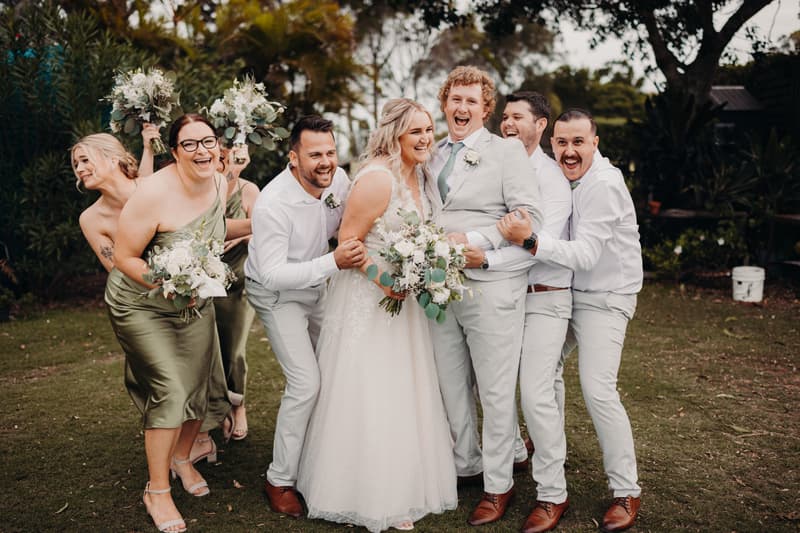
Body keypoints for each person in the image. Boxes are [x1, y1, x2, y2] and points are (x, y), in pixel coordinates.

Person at [296, 98, 458, 532]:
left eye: (429, 130)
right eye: (416, 132)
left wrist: (424, 272)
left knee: (404, 389)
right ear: (395, 136)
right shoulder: (376, 180)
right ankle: (359, 492)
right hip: (370, 299)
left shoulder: (422, 177)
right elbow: (348, 242)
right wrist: (383, 279)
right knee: (369, 388)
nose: (426, 139)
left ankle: (401, 484)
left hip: (405, 304)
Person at [498, 108, 644, 532]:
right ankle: (546, 444)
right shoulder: (563, 178)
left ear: (595, 142)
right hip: (568, 293)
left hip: (605, 297)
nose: (569, 150)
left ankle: (626, 489)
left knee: (598, 389)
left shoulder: (604, 185)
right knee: (543, 375)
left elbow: (584, 254)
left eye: (578, 142)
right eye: (561, 142)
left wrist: (529, 240)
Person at [105, 114, 234, 533]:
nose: (202, 151)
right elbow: (124, 257)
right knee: (171, 389)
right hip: (142, 303)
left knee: (197, 385)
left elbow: (215, 232)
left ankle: (182, 458)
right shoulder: (151, 195)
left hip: (193, 301)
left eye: (208, 141)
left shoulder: (219, 180)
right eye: (190, 144)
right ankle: (156, 491)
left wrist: (262, 226)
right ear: (174, 152)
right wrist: (170, 285)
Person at [429, 65, 544, 526]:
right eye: (455, 99)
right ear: (444, 103)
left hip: (491, 289)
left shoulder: (506, 151)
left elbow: (528, 214)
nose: (462, 108)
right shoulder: (431, 153)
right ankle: (466, 464)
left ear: (486, 108)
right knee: (450, 384)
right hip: (436, 287)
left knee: (496, 392)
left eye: (472, 102)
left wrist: (477, 242)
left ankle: (499, 486)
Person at [244, 116, 367, 518]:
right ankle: (279, 478)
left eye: (330, 152)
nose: (326, 162)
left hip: (319, 284)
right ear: (293, 157)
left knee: (337, 367)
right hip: (276, 295)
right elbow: (273, 275)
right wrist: (333, 261)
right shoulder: (272, 203)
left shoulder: (339, 181)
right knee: (306, 382)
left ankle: (322, 461)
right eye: (315, 154)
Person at [473, 91, 573, 532]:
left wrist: (488, 257)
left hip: (545, 297)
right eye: (505, 117)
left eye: (518, 117)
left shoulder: (550, 180)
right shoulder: (500, 165)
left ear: (541, 125)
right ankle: (510, 460)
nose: (507, 123)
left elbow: (534, 245)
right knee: (492, 388)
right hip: (503, 295)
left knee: (535, 393)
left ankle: (553, 494)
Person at [215, 145, 258, 442]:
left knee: (235, 350)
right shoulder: (201, 190)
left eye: (223, 158)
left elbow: (265, 227)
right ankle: (216, 411)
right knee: (213, 350)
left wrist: (241, 233)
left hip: (240, 276)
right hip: (205, 278)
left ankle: (238, 405)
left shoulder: (247, 188)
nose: (219, 163)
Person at [71, 133, 140, 272]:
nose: (79, 169)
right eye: (76, 164)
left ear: (113, 160)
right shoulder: (90, 219)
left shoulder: (154, 187)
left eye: (85, 160)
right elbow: (118, 272)